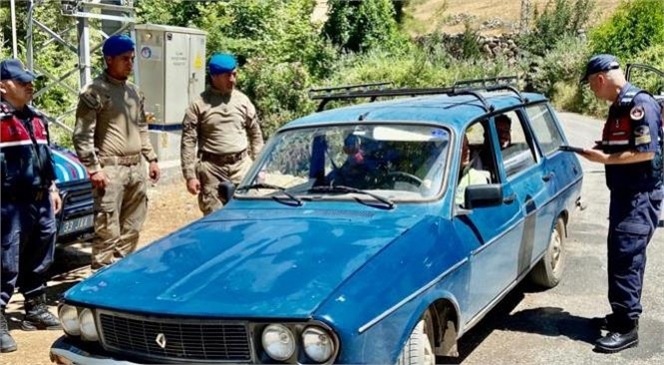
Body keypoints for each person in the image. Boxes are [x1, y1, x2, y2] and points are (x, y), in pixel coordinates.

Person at [578, 54, 663, 353]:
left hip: (639, 197)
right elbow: (625, 143)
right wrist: (601, 149)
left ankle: (627, 328)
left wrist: (605, 159)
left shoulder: (640, 105)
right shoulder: (619, 107)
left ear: (600, 79)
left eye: (590, 85)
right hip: (626, 194)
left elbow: (646, 152)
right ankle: (621, 314)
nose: (591, 91)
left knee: (626, 257)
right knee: (621, 254)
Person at [73, 35, 161, 270]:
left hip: (136, 169)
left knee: (132, 227)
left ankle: (120, 273)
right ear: (109, 59)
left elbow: (142, 127)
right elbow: (82, 134)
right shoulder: (94, 92)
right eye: (125, 59)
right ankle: (99, 279)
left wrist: (151, 159)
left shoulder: (134, 92)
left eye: (132, 59)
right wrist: (93, 169)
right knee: (107, 228)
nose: (130, 64)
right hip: (110, 170)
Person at [1, 58, 63, 353]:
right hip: (8, 205)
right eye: (22, 81)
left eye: (30, 80)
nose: (30, 85)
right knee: (5, 262)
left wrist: (52, 187)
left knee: (41, 255)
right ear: (2, 86)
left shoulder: (38, 117)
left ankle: (34, 309)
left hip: (40, 202)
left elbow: (45, 157)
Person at [181, 53, 264, 215]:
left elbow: (256, 134)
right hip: (212, 170)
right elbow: (188, 142)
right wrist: (190, 175)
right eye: (227, 76)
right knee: (215, 219)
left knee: (247, 214)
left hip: (241, 166)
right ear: (214, 77)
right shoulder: (198, 105)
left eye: (234, 74)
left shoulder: (243, 101)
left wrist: (259, 167)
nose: (232, 79)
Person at [456, 135, 491, 205]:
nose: (467, 150)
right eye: (461, 147)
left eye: (467, 145)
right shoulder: (436, 175)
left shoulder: (477, 178)